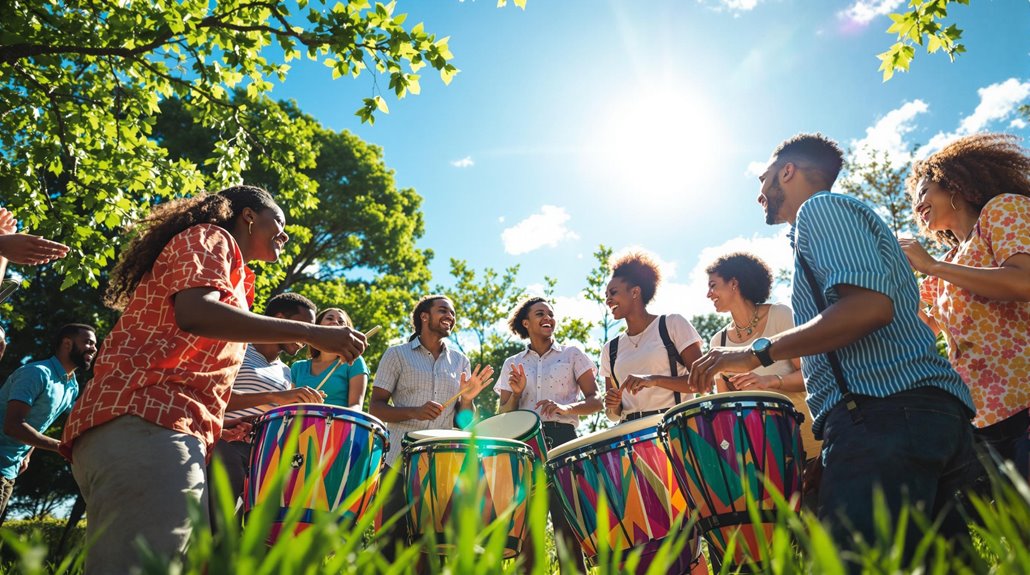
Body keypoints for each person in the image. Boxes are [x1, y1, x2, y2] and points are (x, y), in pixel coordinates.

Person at [688, 133, 980, 570]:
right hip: (909, 416)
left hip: (884, 415)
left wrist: (754, 353)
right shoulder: (839, 222)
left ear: (787, 172)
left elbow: (869, 307)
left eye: (764, 177)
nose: (760, 191)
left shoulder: (820, 210)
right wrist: (834, 445)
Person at [59, 185, 367, 574]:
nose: (285, 236)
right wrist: (310, 334)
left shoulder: (235, 272)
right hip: (147, 418)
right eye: (280, 223)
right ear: (249, 217)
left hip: (165, 429)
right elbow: (195, 312)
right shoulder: (210, 236)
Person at [898, 133, 1030, 480]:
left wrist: (932, 266)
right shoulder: (945, 264)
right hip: (981, 418)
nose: (918, 204)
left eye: (924, 191)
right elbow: (920, 332)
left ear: (953, 183)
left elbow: (1023, 281)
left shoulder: (1001, 210)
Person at [369, 294, 494, 559]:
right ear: (424, 317)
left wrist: (468, 399)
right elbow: (376, 407)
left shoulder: (460, 361)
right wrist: (415, 411)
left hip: (443, 467)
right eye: (443, 310)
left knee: (436, 550)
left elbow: (465, 421)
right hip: (398, 464)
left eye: (452, 312)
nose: (450, 316)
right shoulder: (396, 355)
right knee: (391, 548)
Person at [496, 296, 601, 573]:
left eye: (551, 314)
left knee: (568, 526)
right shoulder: (512, 363)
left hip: (564, 442)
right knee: (528, 529)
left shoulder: (572, 354)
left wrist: (567, 407)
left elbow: (596, 400)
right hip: (526, 447)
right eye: (540, 313)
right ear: (526, 323)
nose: (548, 318)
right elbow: (503, 413)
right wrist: (517, 394)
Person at [704, 253, 821, 497]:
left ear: (734, 283)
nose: (709, 294)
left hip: (804, 441)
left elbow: (812, 374)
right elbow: (723, 411)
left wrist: (770, 381)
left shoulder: (779, 315)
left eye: (713, 286)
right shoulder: (718, 341)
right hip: (758, 456)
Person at [209, 292, 325, 521]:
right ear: (279, 318)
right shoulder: (236, 348)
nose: (306, 337)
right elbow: (214, 397)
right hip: (224, 446)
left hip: (265, 454)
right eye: (302, 327)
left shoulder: (285, 371)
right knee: (221, 526)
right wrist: (277, 396)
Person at [0, 324, 95, 519]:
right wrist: (61, 447)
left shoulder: (71, 386)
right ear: (67, 344)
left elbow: (41, 421)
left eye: (94, 344)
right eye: (88, 342)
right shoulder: (36, 373)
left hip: (10, 468)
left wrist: (28, 454)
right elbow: (13, 425)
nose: (93, 348)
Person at [601, 251, 704, 422]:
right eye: (606, 296)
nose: (608, 300)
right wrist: (612, 404)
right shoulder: (610, 349)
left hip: (674, 428)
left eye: (613, 293)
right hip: (630, 436)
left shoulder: (672, 324)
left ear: (635, 292)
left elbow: (702, 383)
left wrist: (654, 380)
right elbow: (613, 415)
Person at [291, 307, 370, 410]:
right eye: (329, 318)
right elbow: (289, 407)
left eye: (341, 322)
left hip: (338, 424)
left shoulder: (355, 362)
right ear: (318, 326)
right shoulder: (298, 367)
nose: (335, 322)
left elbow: (355, 406)